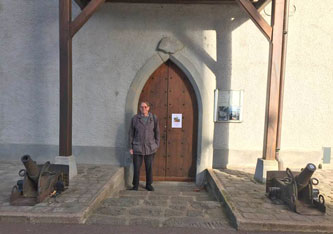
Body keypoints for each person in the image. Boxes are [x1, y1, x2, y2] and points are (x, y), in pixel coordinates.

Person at [128, 101, 160, 191]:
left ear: (148, 108)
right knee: (137, 167)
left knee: (149, 167)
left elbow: (157, 132)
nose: (143, 109)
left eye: (145, 107)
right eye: (142, 107)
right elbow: (131, 134)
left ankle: (149, 184)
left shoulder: (153, 118)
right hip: (137, 146)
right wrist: (130, 147)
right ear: (139, 108)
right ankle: (135, 185)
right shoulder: (135, 119)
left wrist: (156, 145)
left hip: (150, 147)